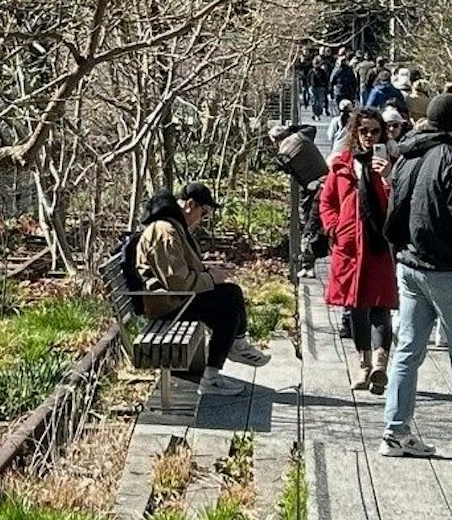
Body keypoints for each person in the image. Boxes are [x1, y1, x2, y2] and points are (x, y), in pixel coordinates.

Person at [380, 93, 452, 459]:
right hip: (449, 270)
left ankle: (396, 430)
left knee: (408, 350)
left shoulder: (407, 155)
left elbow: (396, 209)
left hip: (410, 264)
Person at [135, 183, 273, 397]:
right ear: (190, 205)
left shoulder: (173, 227)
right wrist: (210, 278)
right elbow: (177, 282)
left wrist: (211, 272)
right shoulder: (166, 231)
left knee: (228, 298)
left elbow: (182, 272)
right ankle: (230, 354)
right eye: (204, 212)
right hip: (167, 305)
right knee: (229, 298)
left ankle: (228, 356)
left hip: (174, 300)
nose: (203, 219)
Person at [321, 106, 401, 392]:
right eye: (364, 131)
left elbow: (402, 202)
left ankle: (380, 365)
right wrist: (334, 228)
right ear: (355, 132)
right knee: (355, 306)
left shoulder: (393, 162)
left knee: (381, 304)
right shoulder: (342, 164)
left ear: (383, 132)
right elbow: (327, 202)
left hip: (380, 244)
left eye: (375, 131)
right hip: (350, 246)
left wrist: (389, 178)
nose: (369, 136)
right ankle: (363, 364)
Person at [271, 121, 329, 275]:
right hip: (326, 181)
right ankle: (313, 258)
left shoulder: (282, 154)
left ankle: (307, 264)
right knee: (322, 223)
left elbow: (283, 168)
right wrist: (291, 128)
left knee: (308, 226)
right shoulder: (302, 135)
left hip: (311, 189)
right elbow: (312, 127)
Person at [330, 48, 361, 115]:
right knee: (340, 108)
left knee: (348, 108)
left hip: (347, 91)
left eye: (344, 61)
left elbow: (353, 81)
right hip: (339, 91)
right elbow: (332, 80)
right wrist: (331, 91)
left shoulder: (349, 70)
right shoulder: (337, 70)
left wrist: (354, 91)